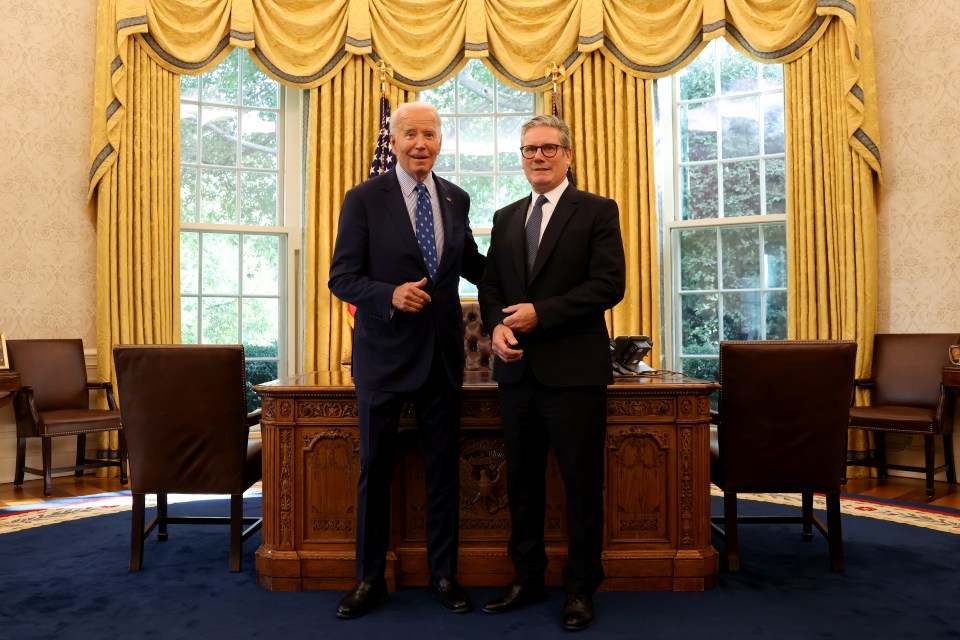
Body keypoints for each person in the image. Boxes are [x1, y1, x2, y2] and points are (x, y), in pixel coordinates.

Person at [328, 101, 486, 619]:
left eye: (431, 134)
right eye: (410, 134)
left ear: (441, 141)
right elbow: (342, 277)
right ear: (392, 141)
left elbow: (474, 267)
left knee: (444, 474)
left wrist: (538, 283)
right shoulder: (363, 199)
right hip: (384, 360)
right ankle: (369, 580)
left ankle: (444, 575)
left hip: (442, 361)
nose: (421, 143)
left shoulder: (456, 198)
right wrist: (388, 295)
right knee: (376, 472)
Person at [477, 114, 626, 631]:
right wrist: (497, 327)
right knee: (521, 484)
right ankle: (527, 577)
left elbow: (609, 285)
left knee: (582, 486)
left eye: (546, 148)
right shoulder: (506, 216)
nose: (536, 157)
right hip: (517, 375)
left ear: (567, 154)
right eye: (527, 150)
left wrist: (543, 312)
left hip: (575, 375)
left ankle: (582, 587)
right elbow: (492, 286)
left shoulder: (597, 211)